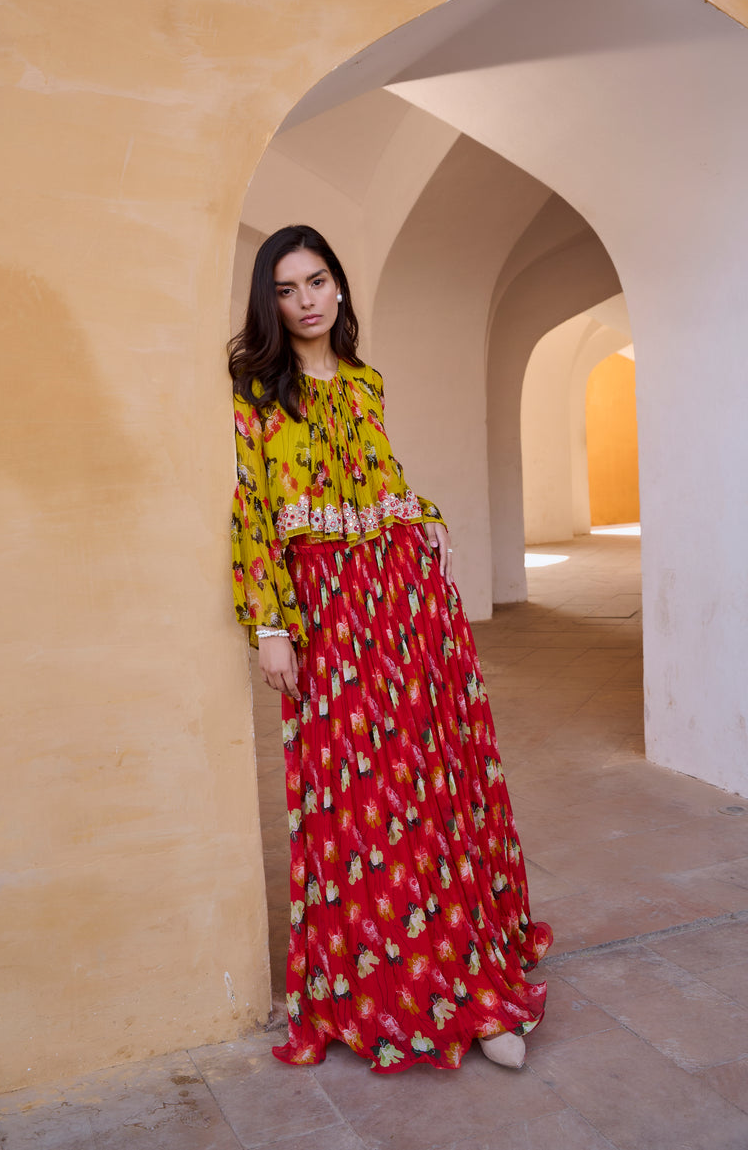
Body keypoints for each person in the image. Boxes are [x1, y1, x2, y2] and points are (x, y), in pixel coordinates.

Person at [229, 225, 551, 1073]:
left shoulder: (367, 383)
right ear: (271, 301)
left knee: (422, 778)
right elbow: (255, 511)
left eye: (319, 281)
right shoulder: (260, 392)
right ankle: (385, 983)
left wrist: (428, 518)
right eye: (289, 287)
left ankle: (468, 984)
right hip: (328, 614)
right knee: (358, 793)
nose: (307, 300)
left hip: (401, 603)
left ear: (338, 288)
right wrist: (270, 626)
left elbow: (383, 477)